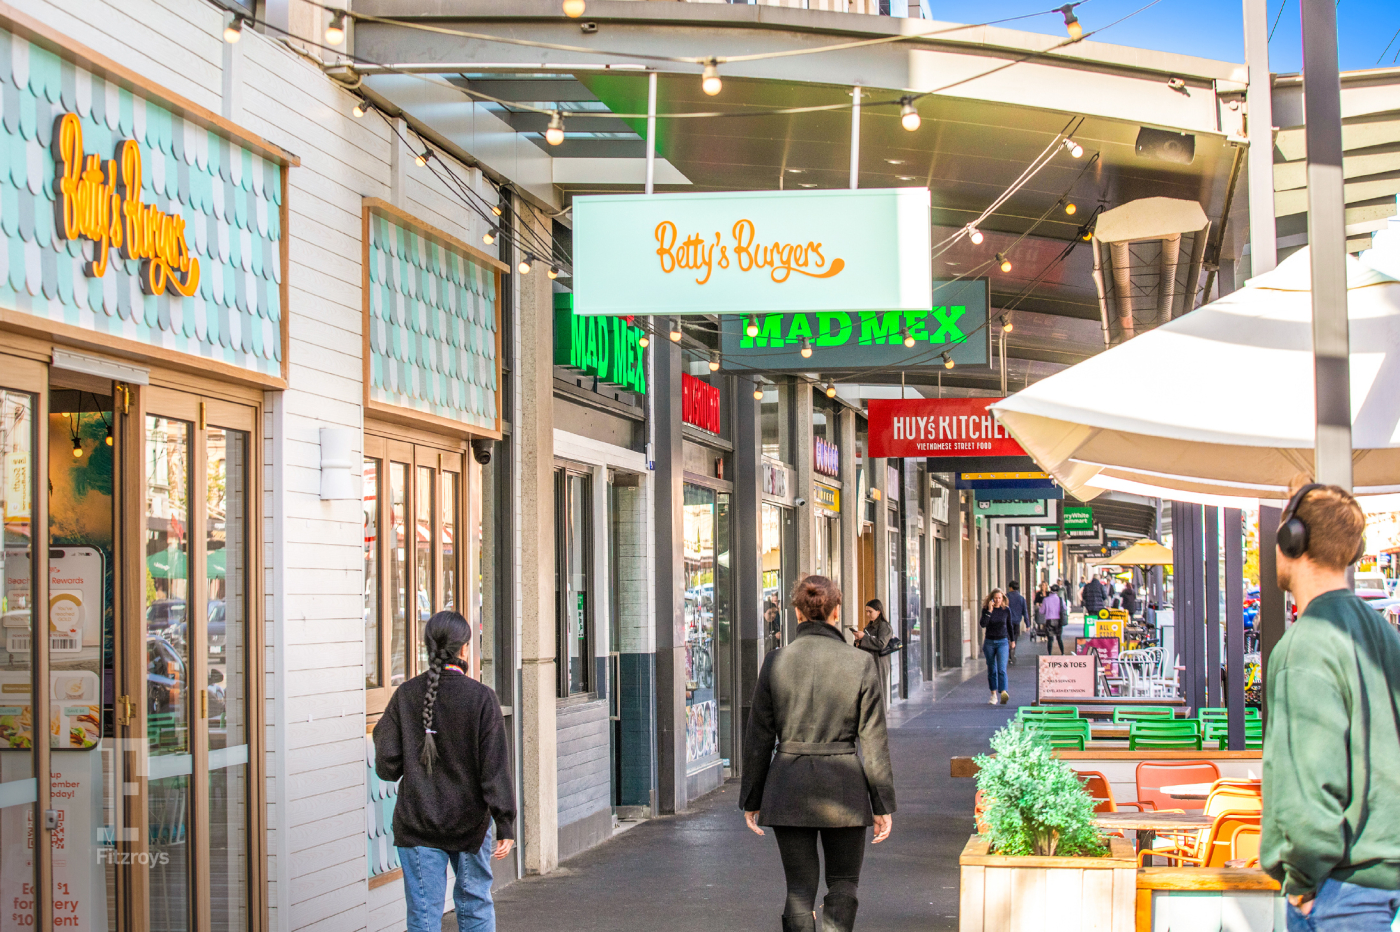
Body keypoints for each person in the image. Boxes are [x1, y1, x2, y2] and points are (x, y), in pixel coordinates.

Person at [1262, 483, 1400, 932]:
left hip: (1339, 893)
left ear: (1291, 542)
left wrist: (1301, 883)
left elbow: (1311, 783)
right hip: (1384, 882)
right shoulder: (1385, 635)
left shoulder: (1305, 646)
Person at [742, 576, 895, 932]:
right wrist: (882, 803)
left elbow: (759, 737)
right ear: (836, 611)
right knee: (843, 882)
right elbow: (874, 739)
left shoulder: (775, 662)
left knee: (798, 889)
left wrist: (752, 797)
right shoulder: (860, 663)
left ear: (797, 612)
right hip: (844, 785)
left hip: (787, 783)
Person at [374, 611, 516, 932]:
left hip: (417, 823)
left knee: (423, 916)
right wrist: (505, 822)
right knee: (475, 904)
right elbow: (494, 769)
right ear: (464, 649)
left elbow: (387, 764)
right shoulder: (481, 698)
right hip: (470, 825)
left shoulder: (406, 694)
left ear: (428, 647)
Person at [853, 599, 893, 713]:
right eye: (866, 611)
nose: (867, 614)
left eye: (870, 611)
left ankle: (880, 716)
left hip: (879, 662)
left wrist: (864, 637)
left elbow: (881, 644)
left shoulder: (884, 626)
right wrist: (858, 642)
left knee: (879, 690)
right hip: (869, 662)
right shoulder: (868, 627)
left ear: (878, 611)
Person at [980, 589, 1011, 704]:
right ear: (991, 599)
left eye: (999, 598)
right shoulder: (986, 610)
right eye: (995, 598)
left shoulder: (1006, 610)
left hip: (1002, 641)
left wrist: (1012, 640)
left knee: (1001, 668)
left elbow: (1009, 625)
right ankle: (993, 695)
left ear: (1002, 599)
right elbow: (983, 624)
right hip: (989, 642)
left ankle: (1003, 692)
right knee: (992, 669)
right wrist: (989, 610)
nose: (997, 600)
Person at [1006, 581, 1028, 666]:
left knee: (1007, 638)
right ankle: (1012, 652)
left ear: (1011, 588)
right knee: (1014, 638)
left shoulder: (1006, 597)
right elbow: (1025, 611)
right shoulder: (1021, 598)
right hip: (1016, 622)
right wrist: (1027, 623)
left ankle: (1008, 653)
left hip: (1007, 621)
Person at [1042, 584, 1067, 654]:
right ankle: (1062, 653)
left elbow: (1042, 611)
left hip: (1049, 620)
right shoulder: (1060, 599)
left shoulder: (1046, 600)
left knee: (1050, 639)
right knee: (1059, 638)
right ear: (1057, 591)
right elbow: (1065, 608)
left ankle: (1049, 654)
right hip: (1058, 621)